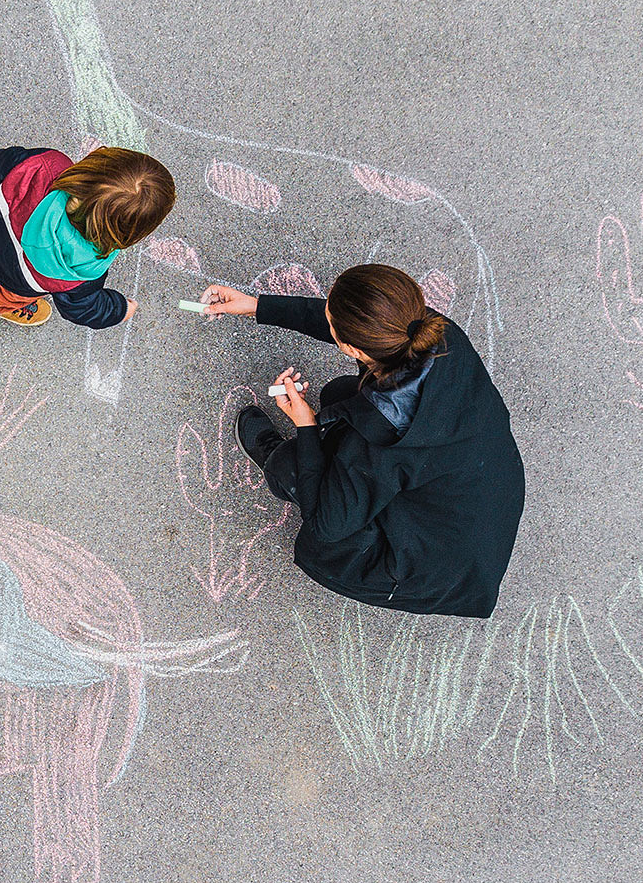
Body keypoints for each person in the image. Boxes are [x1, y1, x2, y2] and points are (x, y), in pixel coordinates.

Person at [201, 264, 525, 618]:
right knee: (340, 394)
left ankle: (279, 461)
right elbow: (352, 324)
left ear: (352, 348)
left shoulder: (380, 439)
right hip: (476, 495)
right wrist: (256, 305)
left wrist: (306, 426)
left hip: (430, 569)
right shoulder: (430, 329)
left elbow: (328, 522)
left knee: (292, 467)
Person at [0, 145, 175, 327]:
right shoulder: (87, 266)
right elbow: (84, 308)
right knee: (9, 295)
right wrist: (120, 309)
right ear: (128, 235)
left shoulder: (45, 165)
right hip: (16, 279)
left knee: (3, 225)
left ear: (94, 162)